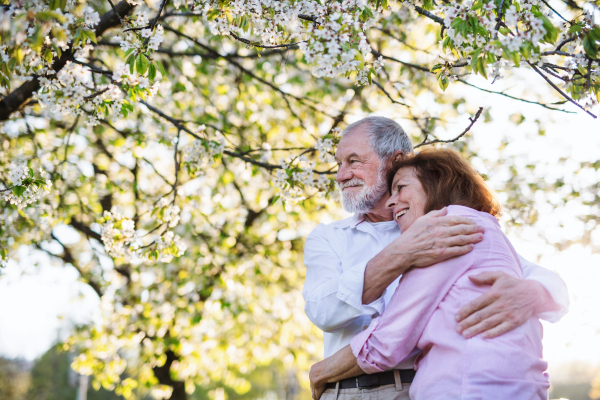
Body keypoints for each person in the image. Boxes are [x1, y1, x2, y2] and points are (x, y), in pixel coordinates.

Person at [303, 117, 569, 399]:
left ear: (395, 161)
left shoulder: (445, 225)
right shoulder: (329, 237)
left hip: (425, 384)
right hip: (350, 389)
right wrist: (400, 253)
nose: (341, 175)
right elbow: (324, 312)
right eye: (339, 163)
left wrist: (534, 292)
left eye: (354, 161)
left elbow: (533, 274)